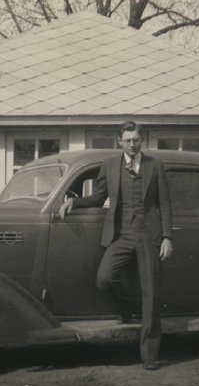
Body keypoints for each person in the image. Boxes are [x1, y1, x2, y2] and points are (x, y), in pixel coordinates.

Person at [59, 121, 173, 370]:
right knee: (104, 278)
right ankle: (129, 307)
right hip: (121, 234)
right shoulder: (110, 166)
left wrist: (166, 237)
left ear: (141, 141)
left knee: (152, 294)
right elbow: (99, 197)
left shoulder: (155, 166)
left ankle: (150, 355)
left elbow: (164, 204)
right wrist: (74, 203)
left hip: (149, 235)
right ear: (119, 142)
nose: (132, 144)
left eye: (136, 140)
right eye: (128, 140)